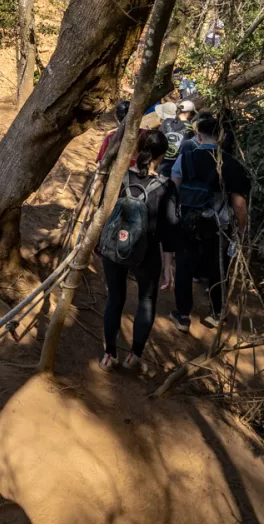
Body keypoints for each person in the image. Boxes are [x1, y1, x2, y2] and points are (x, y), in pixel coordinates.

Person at [97, 129, 179, 373]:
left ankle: (109, 355)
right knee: (146, 300)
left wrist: (98, 242)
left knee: (115, 298)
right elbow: (169, 230)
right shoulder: (165, 187)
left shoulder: (120, 177)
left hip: (114, 246)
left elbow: (104, 209)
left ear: (138, 150)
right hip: (148, 252)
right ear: (162, 156)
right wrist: (168, 267)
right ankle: (134, 355)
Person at [169, 115, 251, 332]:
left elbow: (174, 190)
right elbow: (239, 204)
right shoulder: (231, 164)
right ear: (222, 138)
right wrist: (240, 231)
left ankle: (183, 316)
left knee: (184, 268)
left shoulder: (184, 158)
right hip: (217, 226)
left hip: (187, 222)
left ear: (198, 135)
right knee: (217, 269)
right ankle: (216, 313)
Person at [158, 99, 197, 178]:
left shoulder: (166, 122)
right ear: (189, 113)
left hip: (162, 164)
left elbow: (158, 140)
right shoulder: (190, 129)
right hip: (179, 167)